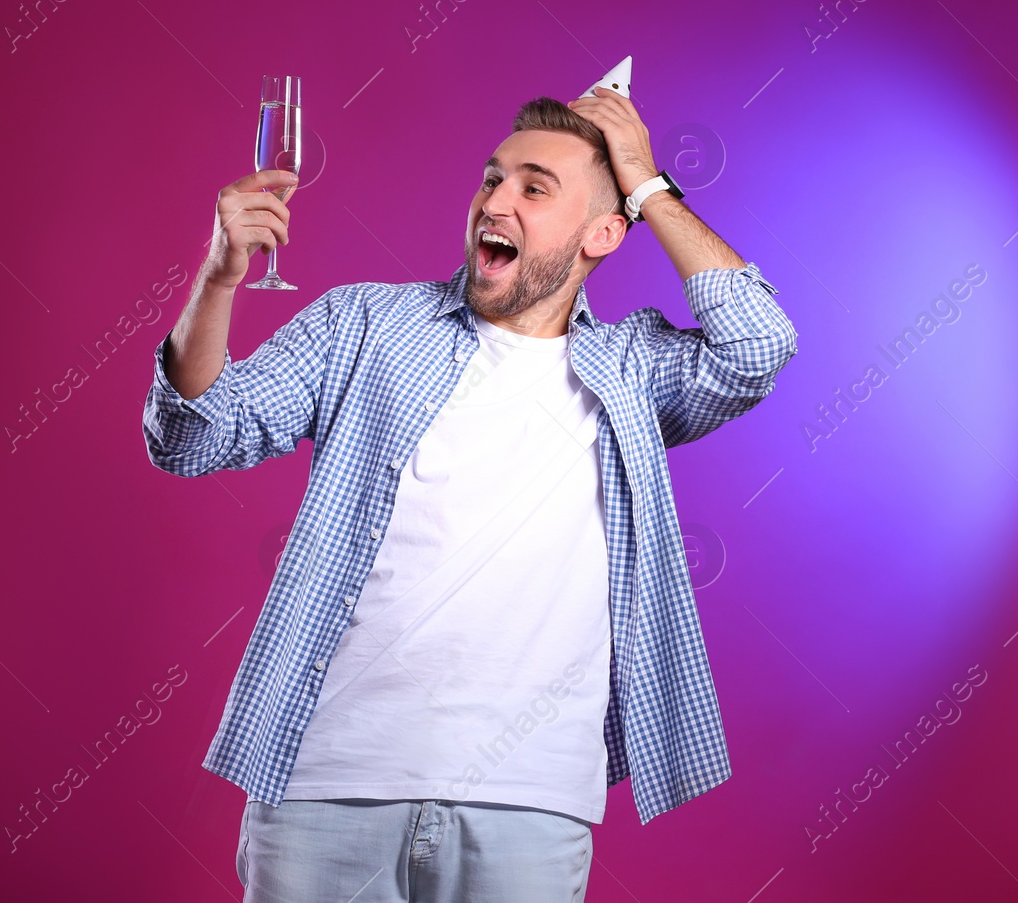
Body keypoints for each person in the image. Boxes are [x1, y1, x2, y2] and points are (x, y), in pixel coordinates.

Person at [142, 84, 798, 902]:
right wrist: (217, 281)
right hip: (327, 787)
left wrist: (644, 180)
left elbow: (758, 345)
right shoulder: (363, 326)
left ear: (603, 233)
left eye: (534, 187)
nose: (497, 200)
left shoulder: (635, 370)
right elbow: (192, 435)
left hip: (529, 802)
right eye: (493, 179)